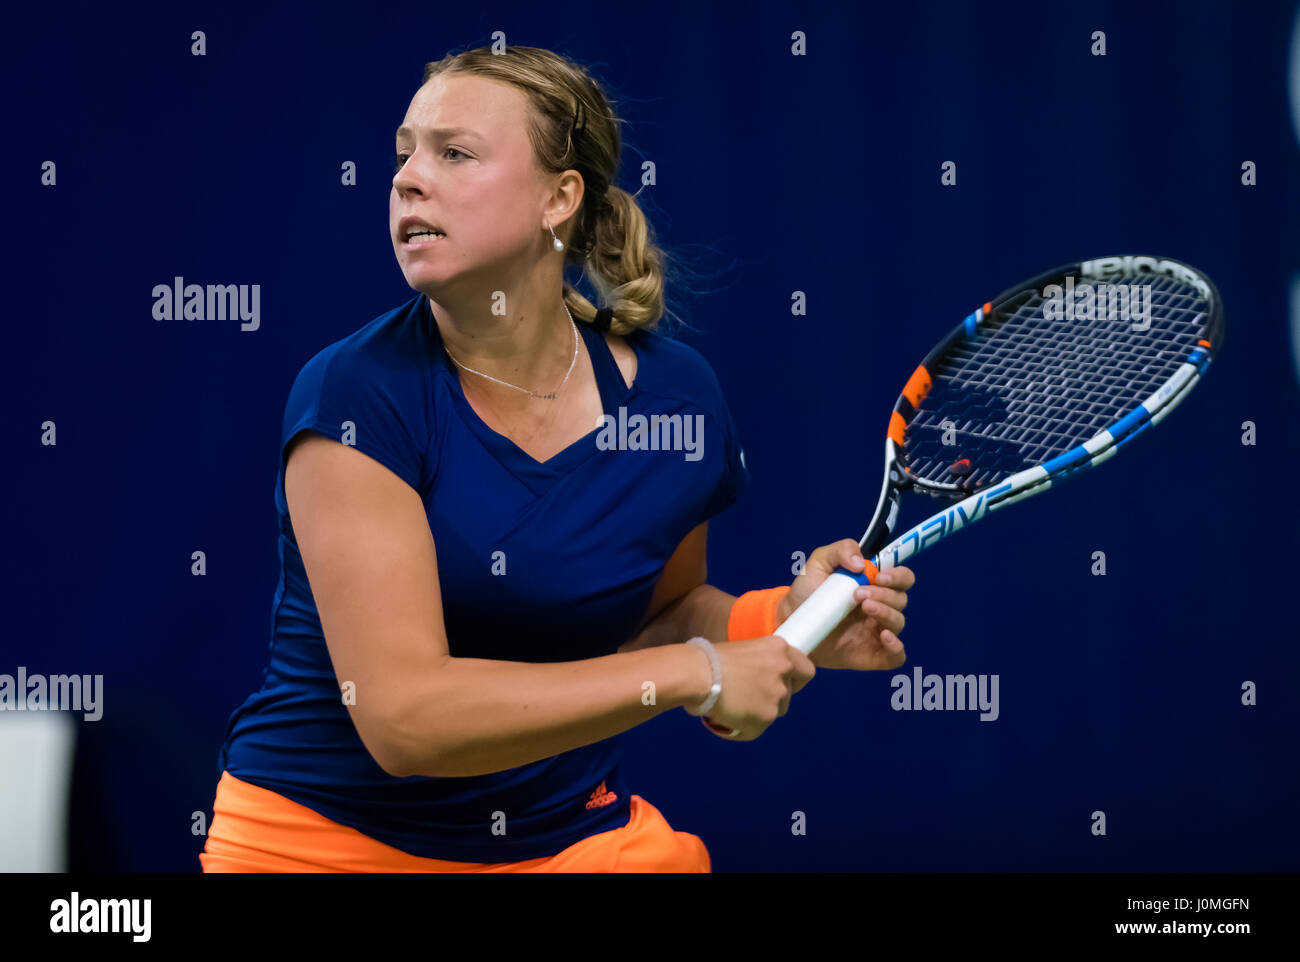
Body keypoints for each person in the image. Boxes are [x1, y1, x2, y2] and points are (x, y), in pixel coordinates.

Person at [200, 44, 914, 873]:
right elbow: (405, 721)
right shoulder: (356, 396)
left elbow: (660, 617)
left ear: (559, 197)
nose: (406, 179)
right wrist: (699, 673)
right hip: (326, 850)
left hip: (568, 842)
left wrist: (787, 626)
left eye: (454, 153)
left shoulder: (674, 401)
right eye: (404, 154)